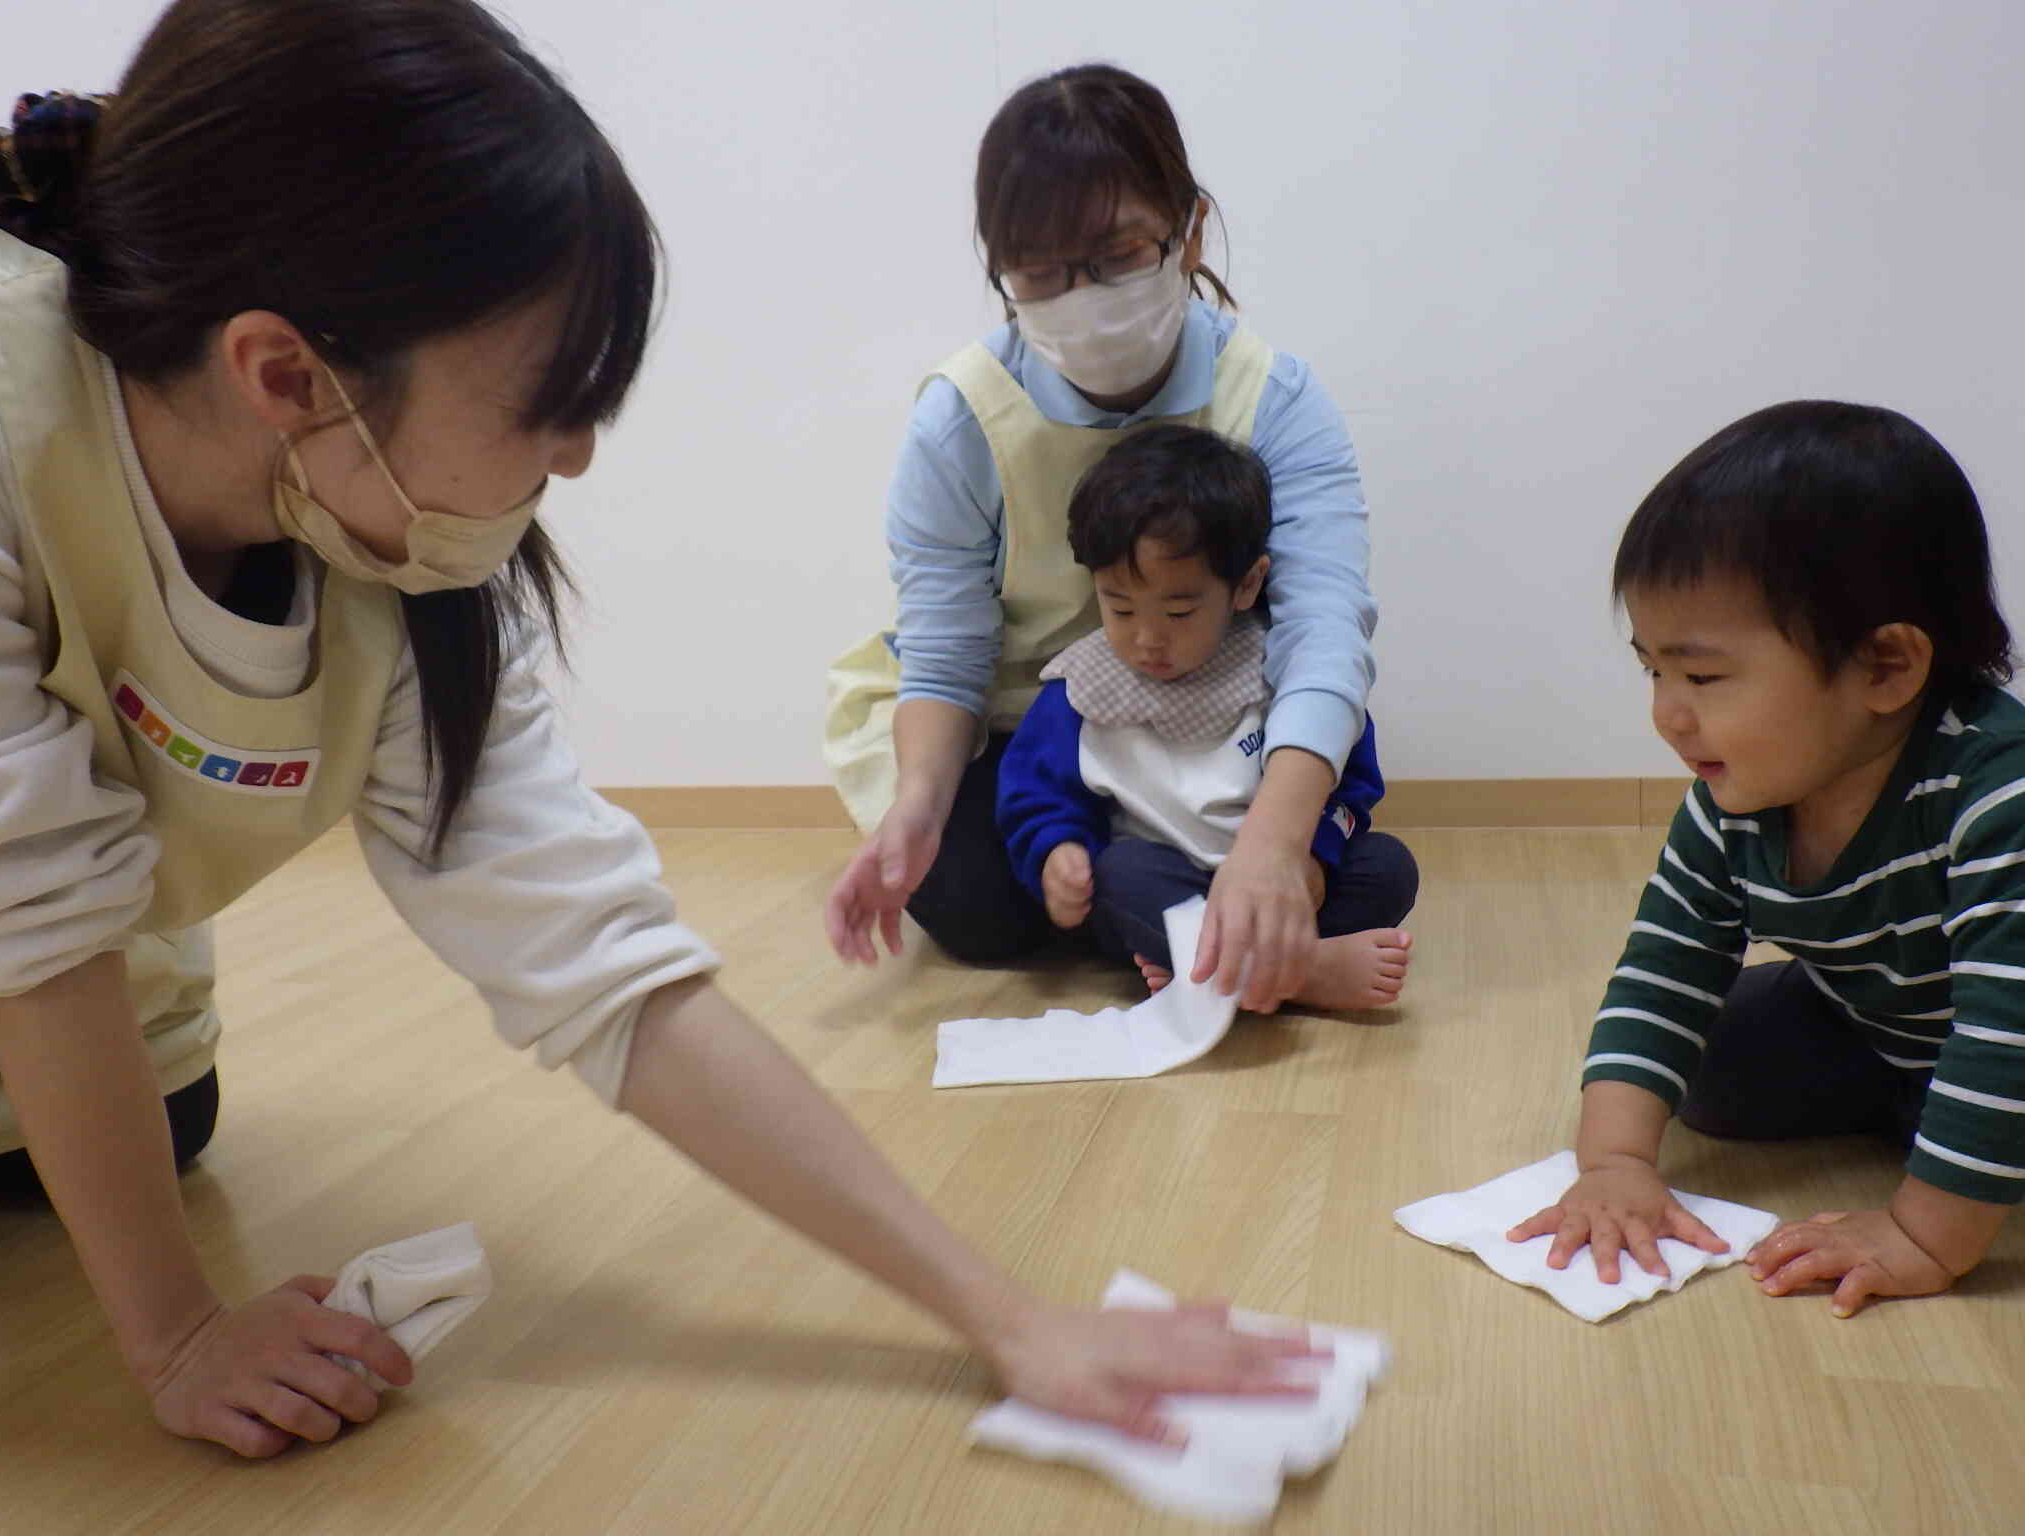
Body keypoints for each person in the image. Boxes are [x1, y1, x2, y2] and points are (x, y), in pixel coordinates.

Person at [0, 0, 1321, 1462]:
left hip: (110, 1003)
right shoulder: (4, 419)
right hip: (35, 962)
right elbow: (34, 915)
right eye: (548, 402)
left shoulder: (394, 554)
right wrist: (178, 1333)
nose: (574, 454)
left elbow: (606, 966)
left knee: (148, 1127)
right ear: (288, 375)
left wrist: (1007, 1319)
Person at [824, 63, 1397, 1013]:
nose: (1082, 297)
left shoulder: (1274, 400)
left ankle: (1177, 919)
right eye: (1040, 272)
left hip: (1218, 729)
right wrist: (916, 807)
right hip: (1035, 735)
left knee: (1334, 851)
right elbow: (945, 651)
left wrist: (1274, 840)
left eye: (1119, 255)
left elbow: (1325, 631)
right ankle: (1213, 923)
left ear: (1190, 231)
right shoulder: (962, 419)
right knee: (971, 905)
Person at [1508, 401, 2023, 1317]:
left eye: (1703, 677)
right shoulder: (1734, 799)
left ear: (1886, 668)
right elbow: (1662, 970)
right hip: (1888, 1023)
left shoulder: (1996, 790)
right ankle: (1929, 1115)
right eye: (1653, 670)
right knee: (1711, 1060)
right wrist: (1614, 1164)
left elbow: (2006, 1031)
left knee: (1995, 1078)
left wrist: (1922, 1236)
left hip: (2002, 1026)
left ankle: (1954, 1143)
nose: (1668, 713)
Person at [994, 424, 1414, 1008]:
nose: (1147, 639)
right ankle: (1303, 974)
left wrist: (1313, 859)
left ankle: (1210, 978)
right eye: (1120, 608)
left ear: (1246, 585)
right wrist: (1055, 852)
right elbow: (1034, 793)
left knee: (1388, 867)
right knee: (1121, 875)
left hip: (1281, 887)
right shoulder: (1081, 692)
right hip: (1168, 889)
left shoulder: (1280, 670)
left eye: (1178, 611)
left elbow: (1351, 782)